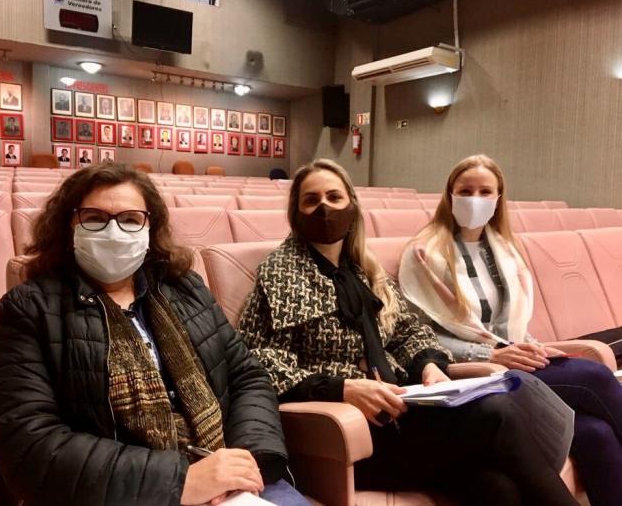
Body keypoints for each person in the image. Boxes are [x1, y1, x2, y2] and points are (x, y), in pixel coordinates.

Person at [237, 158, 579, 506]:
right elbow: (259, 363)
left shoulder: (363, 269)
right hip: (348, 437)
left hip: (404, 414)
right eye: (311, 200)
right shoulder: (279, 274)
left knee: (497, 488)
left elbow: (408, 331)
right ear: (296, 213)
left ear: (352, 206)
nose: (324, 208)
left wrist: (428, 365)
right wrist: (342, 388)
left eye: (334, 197)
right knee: (497, 413)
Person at [0, 163, 307, 506]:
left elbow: (246, 375)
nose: (113, 231)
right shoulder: (26, 310)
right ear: (69, 226)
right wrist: (180, 481)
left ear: (150, 228)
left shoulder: (185, 289)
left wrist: (247, 457)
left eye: (131, 219)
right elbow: (27, 442)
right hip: (115, 495)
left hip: (228, 476)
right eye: (94, 218)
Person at [399, 154, 622, 506]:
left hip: (515, 359)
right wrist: (490, 354)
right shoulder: (424, 253)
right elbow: (418, 338)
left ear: (498, 198)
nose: (475, 199)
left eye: (485, 191)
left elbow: (508, 324)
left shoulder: (504, 250)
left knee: (596, 433)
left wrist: (533, 346)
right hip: (477, 372)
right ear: (449, 195)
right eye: (465, 191)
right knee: (594, 377)